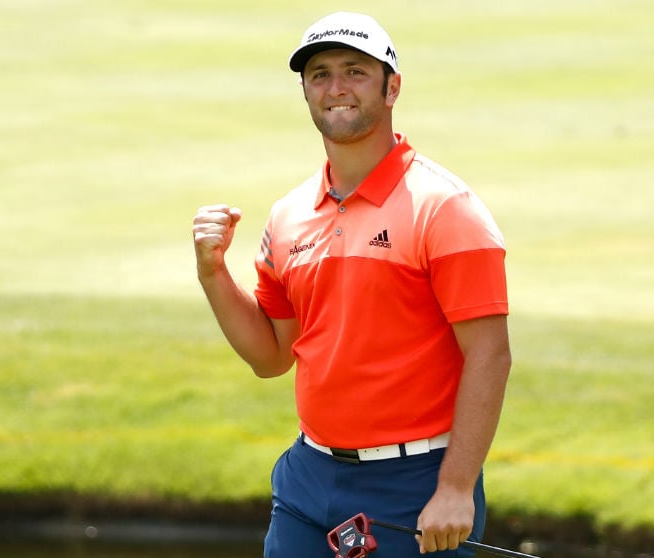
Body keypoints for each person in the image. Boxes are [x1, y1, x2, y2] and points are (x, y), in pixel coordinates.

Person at [192, 12, 511, 557]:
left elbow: (490, 354)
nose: (336, 87)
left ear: (393, 87)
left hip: (415, 483)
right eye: (319, 74)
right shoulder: (288, 214)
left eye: (355, 71)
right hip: (309, 477)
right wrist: (213, 273)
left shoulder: (445, 208)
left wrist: (456, 487)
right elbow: (272, 356)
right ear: (305, 91)